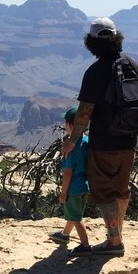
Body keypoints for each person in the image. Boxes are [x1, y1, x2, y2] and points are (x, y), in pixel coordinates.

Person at [61, 17, 138, 257]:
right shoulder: (133, 65)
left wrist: (73, 140)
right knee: (121, 189)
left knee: (104, 191)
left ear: (92, 43)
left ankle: (114, 242)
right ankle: (118, 234)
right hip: (128, 141)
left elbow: (84, 112)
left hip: (104, 144)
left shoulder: (96, 71)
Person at [49, 107, 92, 256]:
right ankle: (64, 234)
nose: (64, 126)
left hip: (73, 187)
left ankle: (85, 246)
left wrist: (63, 192)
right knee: (75, 213)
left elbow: (67, 173)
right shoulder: (87, 141)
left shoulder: (69, 147)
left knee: (77, 217)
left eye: (65, 123)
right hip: (85, 185)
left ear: (71, 126)